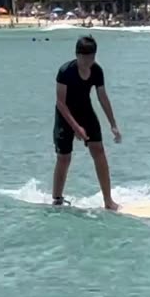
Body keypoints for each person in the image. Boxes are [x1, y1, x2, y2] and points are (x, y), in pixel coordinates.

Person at [53, 35, 122, 210]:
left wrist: (112, 124)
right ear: (77, 55)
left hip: (85, 111)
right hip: (65, 114)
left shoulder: (97, 71)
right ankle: (57, 199)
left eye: (91, 57)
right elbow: (60, 103)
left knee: (98, 150)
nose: (87, 61)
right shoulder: (65, 71)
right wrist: (76, 128)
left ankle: (108, 200)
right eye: (83, 57)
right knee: (64, 157)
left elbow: (102, 97)